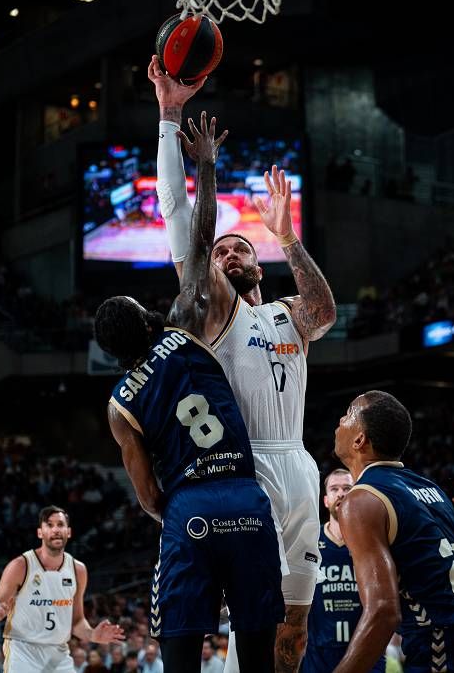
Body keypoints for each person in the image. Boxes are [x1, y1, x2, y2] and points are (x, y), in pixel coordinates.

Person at [149, 54, 337, 673]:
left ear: (259, 263)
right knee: (252, 620)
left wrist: (286, 236)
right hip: (241, 464)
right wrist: (169, 116)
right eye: (223, 248)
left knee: (293, 628)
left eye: (241, 246)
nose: (230, 252)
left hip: (299, 463)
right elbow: (181, 220)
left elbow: (324, 311)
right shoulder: (215, 309)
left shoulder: (286, 312)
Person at [99, 112, 284, 673]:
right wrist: (205, 167)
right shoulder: (180, 326)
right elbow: (201, 240)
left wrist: (179, 510)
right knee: (256, 649)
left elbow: (146, 494)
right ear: (145, 318)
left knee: (180, 648)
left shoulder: (118, 405)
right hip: (245, 494)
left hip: (188, 505)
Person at [331, 391, 454, 673]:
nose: (341, 420)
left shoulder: (362, 500)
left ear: (360, 440)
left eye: (348, 413)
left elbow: (383, 611)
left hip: (442, 644)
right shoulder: (431, 489)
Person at [0, 506, 125, 672]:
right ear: (40, 532)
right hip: (23, 652)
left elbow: (76, 621)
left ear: (68, 532)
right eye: (49, 525)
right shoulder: (21, 566)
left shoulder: (78, 570)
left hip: (58, 653)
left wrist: (92, 635)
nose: (56, 529)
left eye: (60, 524)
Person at [301, 469, 385, 673]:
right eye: (334, 489)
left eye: (348, 488)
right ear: (325, 500)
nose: (341, 493)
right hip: (318, 655)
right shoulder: (309, 541)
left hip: (367, 653)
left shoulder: (374, 540)